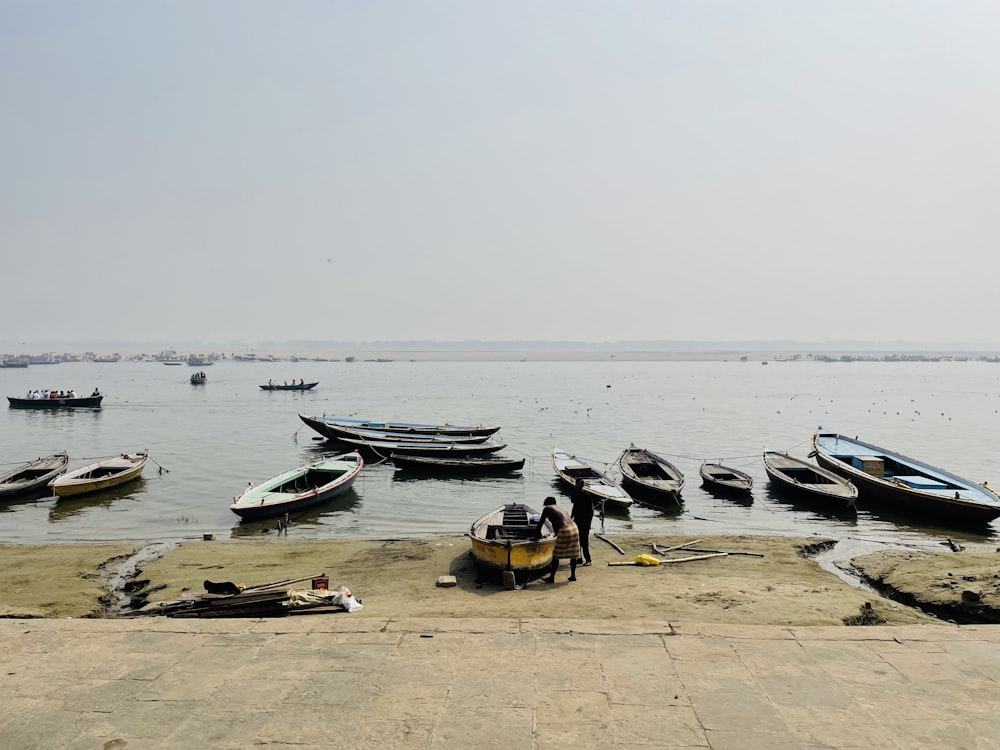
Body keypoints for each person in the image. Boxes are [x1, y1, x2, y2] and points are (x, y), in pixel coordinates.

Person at [535, 496, 580, 583]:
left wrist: (536, 536)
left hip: (564, 529)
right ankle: (573, 576)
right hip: (574, 527)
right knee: (573, 554)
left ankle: (551, 577)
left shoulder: (547, 508)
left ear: (546, 503)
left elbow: (540, 523)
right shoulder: (560, 508)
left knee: (556, 555)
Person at [570, 478, 594, 566]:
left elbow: (591, 511)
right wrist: (571, 517)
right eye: (576, 484)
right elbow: (574, 505)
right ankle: (579, 558)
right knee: (577, 540)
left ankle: (588, 559)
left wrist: (589, 523)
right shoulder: (575, 495)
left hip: (585, 521)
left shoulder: (587, 496)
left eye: (579, 485)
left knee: (584, 541)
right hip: (577, 520)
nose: (577, 486)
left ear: (582, 486)